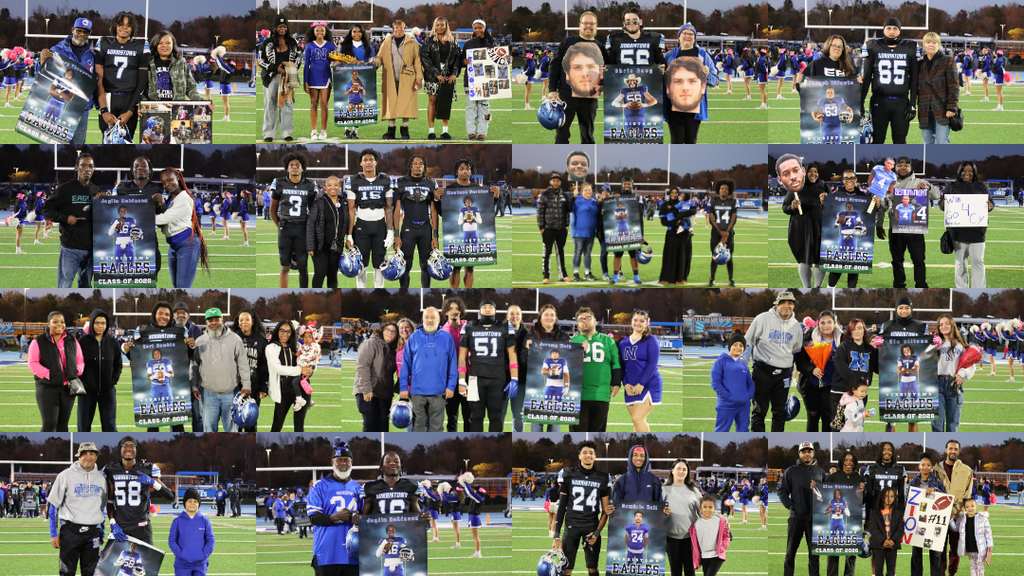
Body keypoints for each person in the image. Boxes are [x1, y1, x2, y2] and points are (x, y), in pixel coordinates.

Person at [121, 302, 192, 433]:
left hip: (169, 385)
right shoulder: (143, 330)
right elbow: (137, 357)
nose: (163, 317)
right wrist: (126, 349)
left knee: (176, 420)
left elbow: (187, 355)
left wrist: (192, 346)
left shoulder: (180, 330)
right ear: (154, 314)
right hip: (154, 386)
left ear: (171, 316)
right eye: (160, 313)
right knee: (153, 421)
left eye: (167, 314)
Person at [435, 159, 500, 288]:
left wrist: (496, 198)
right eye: (461, 169)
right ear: (456, 171)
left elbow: (488, 210)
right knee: (456, 267)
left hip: (474, 230)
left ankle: (467, 293)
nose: (465, 171)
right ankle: (454, 292)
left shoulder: (478, 189)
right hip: (464, 231)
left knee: (470, 267)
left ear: (471, 171)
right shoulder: (449, 190)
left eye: (467, 168)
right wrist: (437, 200)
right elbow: (443, 214)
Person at [42, 153, 104, 287]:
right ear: (77, 167)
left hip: (91, 248)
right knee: (65, 285)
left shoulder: (96, 190)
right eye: (84, 165)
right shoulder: (65, 189)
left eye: (90, 166)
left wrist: (107, 201)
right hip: (70, 248)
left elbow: (105, 216)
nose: (87, 169)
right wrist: (65, 218)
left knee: (86, 286)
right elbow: (46, 209)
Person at [744, 291, 803, 432]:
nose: (786, 305)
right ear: (776, 304)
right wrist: (743, 364)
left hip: (783, 374)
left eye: (790, 303)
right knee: (759, 411)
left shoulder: (796, 326)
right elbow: (748, 342)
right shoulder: (762, 319)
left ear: (794, 305)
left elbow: (796, 350)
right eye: (782, 302)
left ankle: (777, 441)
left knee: (780, 413)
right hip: (763, 371)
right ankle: (758, 440)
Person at [552, 441, 612, 576]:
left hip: (591, 527)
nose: (588, 455)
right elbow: (562, 506)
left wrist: (597, 533)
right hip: (571, 527)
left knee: (592, 568)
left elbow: (605, 511)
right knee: (567, 569)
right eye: (584, 453)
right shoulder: (568, 474)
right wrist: (556, 535)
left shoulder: (602, 477)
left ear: (595, 456)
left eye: (591, 453)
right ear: (579, 456)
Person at [548, 12, 608, 144]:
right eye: (585, 23)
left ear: (596, 25)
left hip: (590, 99)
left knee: (588, 137)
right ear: (579, 25)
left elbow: (606, 71)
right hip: (566, 97)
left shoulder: (601, 47)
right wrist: (552, 89)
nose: (588, 26)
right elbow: (554, 66)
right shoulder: (567, 42)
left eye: (591, 23)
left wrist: (603, 85)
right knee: (561, 135)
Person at [459, 300, 518, 432]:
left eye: (490, 307)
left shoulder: (504, 326)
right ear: (479, 310)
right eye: (484, 307)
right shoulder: (469, 326)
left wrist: (515, 378)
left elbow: (512, 354)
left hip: (497, 379)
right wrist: (461, 379)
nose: (487, 309)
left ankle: (496, 444)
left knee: (495, 417)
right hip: (475, 379)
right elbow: (462, 357)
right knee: (475, 417)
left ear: (495, 310)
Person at [49, 442, 107, 576]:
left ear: (96, 456)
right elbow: (53, 506)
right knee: (67, 572)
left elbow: (101, 507)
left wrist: (102, 532)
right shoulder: (65, 475)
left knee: (91, 572)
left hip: (93, 532)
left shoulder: (101, 478)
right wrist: (53, 533)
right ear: (78, 456)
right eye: (84, 454)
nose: (88, 456)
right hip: (70, 531)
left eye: (92, 453)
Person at [103, 436, 174, 545]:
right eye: (125, 446)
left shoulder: (147, 468)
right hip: (121, 527)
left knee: (146, 557)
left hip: (142, 527)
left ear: (136, 449)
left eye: (132, 446)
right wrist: (113, 523)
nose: (129, 449)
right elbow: (110, 501)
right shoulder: (111, 469)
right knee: (109, 556)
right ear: (120, 449)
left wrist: (152, 482)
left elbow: (170, 496)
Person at [306, 440, 361, 576]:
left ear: (351, 462)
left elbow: (365, 516)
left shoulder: (358, 489)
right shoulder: (319, 487)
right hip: (327, 554)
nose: (343, 463)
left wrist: (361, 520)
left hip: (353, 555)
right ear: (332, 462)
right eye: (339, 460)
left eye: (346, 460)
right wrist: (335, 517)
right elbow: (313, 517)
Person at [191, 308, 250, 432]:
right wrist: (194, 386)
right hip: (208, 393)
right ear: (206, 322)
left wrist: (246, 385)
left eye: (216, 319)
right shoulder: (200, 341)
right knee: (209, 431)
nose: (213, 323)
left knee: (232, 431)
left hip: (231, 392)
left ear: (222, 320)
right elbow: (194, 366)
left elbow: (243, 364)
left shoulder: (235, 339)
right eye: (210, 320)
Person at [37, 18, 95, 146]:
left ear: (89, 34)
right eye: (79, 31)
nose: (82, 34)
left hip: (81, 109)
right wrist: (41, 63)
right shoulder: (57, 50)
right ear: (73, 30)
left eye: (85, 32)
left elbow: (93, 82)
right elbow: (41, 74)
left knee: (79, 146)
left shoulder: (92, 55)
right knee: (56, 145)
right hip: (56, 102)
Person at [860, 17, 918, 143]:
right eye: (889, 28)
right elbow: (867, 77)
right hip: (879, 102)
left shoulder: (910, 47)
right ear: (884, 30)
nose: (892, 31)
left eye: (895, 28)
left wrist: (913, 104)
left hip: (901, 103)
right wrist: (860, 102)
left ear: (899, 30)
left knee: (900, 140)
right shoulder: (873, 46)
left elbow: (914, 79)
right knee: (877, 140)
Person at [400, 307, 457, 432]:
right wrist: (403, 387)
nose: (429, 320)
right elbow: (405, 364)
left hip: (439, 391)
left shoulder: (447, 338)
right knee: (417, 427)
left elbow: (452, 364)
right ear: (423, 319)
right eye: (426, 317)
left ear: (438, 319)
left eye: (433, 317)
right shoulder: (414, 338)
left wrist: (451, 386)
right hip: (417, 391)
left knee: (436, 427)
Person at [345, 149, 395, 289]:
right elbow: (351, 209)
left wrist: (390, 231)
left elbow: (388, 208)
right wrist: (349, 235)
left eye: (371, 159)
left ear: (376, 162)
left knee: (379, 264)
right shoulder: (354, 181)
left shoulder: (385, 179)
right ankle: (361, 294)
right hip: (362, 226)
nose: (368, 162)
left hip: (380, 225)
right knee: (361, 264)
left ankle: (378, 292)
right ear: (361, 163)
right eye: (365, 160)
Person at [940, 161, 994, 288]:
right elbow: (943, 206)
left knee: (978, 262)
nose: (967, 173)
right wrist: (942, 204)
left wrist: (990, 206)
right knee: (960, 263)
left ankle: (978, 289)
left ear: (974, 172)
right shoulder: (951, 186)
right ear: (960, 171)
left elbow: (991, 203)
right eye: (964, 170)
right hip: (958, 232)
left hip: (978, 231)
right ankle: (961, 289)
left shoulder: (982, 186)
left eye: (970, 171)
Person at [663, 23, 718, 143]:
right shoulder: (669, 56)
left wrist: (707, 75)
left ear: (694, 37)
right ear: (679, 36)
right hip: (674, 106)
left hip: (694, 107)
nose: (687, 36)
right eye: (684, 33)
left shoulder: (703, 55)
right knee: (676, 141)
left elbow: (714, 81)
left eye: (691, 34)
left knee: (691, 141)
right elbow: (662, 79)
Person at [28, 311, 83, 432]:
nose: (60, 324)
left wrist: (76, 371)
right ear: (48, 324)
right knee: (49, 424)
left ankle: (63, 444)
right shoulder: (38, 341)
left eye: (62, 322)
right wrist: (49, 374)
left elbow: (80, 360)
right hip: (47, 387)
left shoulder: (72, 340)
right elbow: (33, 362)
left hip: (67, 387)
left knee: (63, 424)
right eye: (55, 322)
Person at [96, 12, 148, 142]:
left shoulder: (141, 45)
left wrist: (130, 111)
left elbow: (142, 81)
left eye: (128, 25)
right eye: (121, 24)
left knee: (126, 141)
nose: (124, 28)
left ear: (132, 28)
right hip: (108, 97)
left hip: (130, 97)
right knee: (107, 141)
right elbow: (98, 79)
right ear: (115, 25)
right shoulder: (104, 42)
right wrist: (104, 110)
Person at [778, 441, 826, 576]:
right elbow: (782, 491)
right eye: (803, 452)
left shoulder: (821, 472)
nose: (806, 454)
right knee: (790, 553)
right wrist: (791, 506)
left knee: (814, 555)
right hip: (796, 518)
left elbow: (827, 494)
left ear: (813, 453)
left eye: (809, 451)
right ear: (799, 454)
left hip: (815, 520)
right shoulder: (791, 471)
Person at [571, 306, 622, 432]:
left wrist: (616, 383)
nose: (585, 321)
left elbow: (616, 363)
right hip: (577, 395)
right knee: (578, 435)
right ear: (577, 324)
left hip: (601, 393)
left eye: (588, 318)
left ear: (595, 320)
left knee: (597, 435)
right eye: (581, 319)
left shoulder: (608, 340)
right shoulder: (571, 341)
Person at [826, 171, 880, 288]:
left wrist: (877, 205)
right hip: (843, 235)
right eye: (846, 178)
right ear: (842, 180)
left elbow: (868, 215)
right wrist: (823, 202)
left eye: (852, 178)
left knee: (853, 262)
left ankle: (851, 290)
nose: (849, 181)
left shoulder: (862, 196)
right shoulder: (836, 196)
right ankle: (830, 288)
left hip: (853, 235)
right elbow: (834, 225)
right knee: (839, 261)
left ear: (856, 179)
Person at [779, 156, 827, 288]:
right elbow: (785, 208)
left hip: (820, 227)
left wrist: (826, 202)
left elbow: (834, 208)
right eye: (810, 171)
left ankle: (818, 287)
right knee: (804, 259)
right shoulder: (796, 187)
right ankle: (807, 287)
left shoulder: (824, 187)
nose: (814, 174)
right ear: (804, 172)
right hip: (801, 228)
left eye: (816, 172)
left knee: (820, 259)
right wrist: (792, 207)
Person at [393, 155, 439, 288]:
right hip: (408, 228)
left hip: (425, 228)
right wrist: (396, 235)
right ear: (410, 166)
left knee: (426, 265)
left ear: (424, 167)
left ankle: (426, 292)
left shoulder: (431, 183)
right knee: (405, 265)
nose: (418, 166)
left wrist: (435, 236)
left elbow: (434, 211)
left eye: (421, 164)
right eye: (415, 163)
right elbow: (396, 211)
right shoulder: (401, 182)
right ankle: (404, 293)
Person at [794, 311, 843, 432]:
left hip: (831, 386)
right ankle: (811, 440)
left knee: (828, 418)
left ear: (834, 323)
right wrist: (811, 369)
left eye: (829, 322)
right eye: (823, 323)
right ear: (818, 324)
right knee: (812, 417)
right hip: (811, 385)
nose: (826, 325)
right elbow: (800, 361)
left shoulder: (842, 338)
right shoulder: (809, 336)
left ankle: (825, 443)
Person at [374, 20, 423, 140]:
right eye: (396, 28)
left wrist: (419, 78)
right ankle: (391, 130)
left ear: (405, 28)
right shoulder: (386, 42)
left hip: (407, 77)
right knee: (391, 103)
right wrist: (375, 64)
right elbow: (379, 57)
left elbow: (417, 62)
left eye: (401, 28)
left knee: (406, 103)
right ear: (393, 29)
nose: (399, 30)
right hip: (390, 76)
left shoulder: (413, 43)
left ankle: (405, 130)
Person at [77, 309, 121, 432]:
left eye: (103, 323)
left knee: (110, 426)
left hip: (107, 391)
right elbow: (76, 364)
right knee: (83, 426)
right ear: (91, 323)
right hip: (87, 392)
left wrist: (113, 380)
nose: (100, 326)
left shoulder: (113, 342)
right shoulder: (82, 342)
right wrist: (84, 382)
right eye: (97, 323)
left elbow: (118, 364)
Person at [258, 14, 301, 142]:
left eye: (284, 26)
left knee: (287, 104)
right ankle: (268, 134)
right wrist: (275, 68)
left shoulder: (292, 42)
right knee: (270, 105)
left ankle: (286, 133)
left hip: (288, 77)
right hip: (271, 77)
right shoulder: (267, 42)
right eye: (280, 26)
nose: (282, 29)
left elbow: (299, 57)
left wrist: (290, 68)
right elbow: (260, 60)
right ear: (275, 27)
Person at [619, 310, 662, 432]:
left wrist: (641, 384)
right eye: (635, 320)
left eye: (642, 321)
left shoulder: (651, 340)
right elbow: (622, 366)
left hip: (649, 384)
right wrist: (625, 384)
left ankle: (647, 442)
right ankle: (636, 442)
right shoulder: (623, 343)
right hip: (631, 386)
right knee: (636, 422)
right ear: (631, 321)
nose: (638, 323)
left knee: (637, 419)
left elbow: (652, 364)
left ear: (647, 323)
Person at [268, 320, 314, 432]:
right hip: (283, 390)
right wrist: (301, 370)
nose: (285, 334)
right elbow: (277, 368)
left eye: (288, 331)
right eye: (282, 331)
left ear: (292, 333)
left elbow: (310, 360)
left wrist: (311, 368)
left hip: (301, 389)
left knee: (299, 427)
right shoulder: (271, 348)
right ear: (277, 331)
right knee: (277, 426)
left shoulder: (298, 346)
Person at [421, 17, 461, 140]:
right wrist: (437, 74)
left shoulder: (453, 41)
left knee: (445, 102)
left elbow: (458, 58)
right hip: (433, 76)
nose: (439, 27)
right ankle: (431, 131)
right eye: (437, 25)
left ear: (446, 26)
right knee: (432, 101)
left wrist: (454, 73)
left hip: (448, 76)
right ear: (434, 26)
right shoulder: (429, 41)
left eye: (442, 25)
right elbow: (425, 59)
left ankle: (445, 131)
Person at [353, 322, 398, 432]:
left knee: (383, 426)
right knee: (371, 425)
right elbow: (362, 366)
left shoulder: (393, 349)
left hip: (384, 393)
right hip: (369, 391)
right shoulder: (371, 343)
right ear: (382, 330)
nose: (390, 333)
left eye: (393, 332)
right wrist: (366, 389)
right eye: (387, 330)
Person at [941, 439, 977, 576]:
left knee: (956, 548)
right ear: (946, 450)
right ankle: (941, 573)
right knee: (940, 548)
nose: (953, 451)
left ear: (959, 451)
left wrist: (954, 510)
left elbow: (967, 494)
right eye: (950, 448)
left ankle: (952, 574)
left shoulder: (966, 470)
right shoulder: (937, 469)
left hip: (958, 516)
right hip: (940, 516)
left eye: (955, 449)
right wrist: (945, 510)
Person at [917, 32, 958, 144]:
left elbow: (954, 86)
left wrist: (952, 107)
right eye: (928, 42)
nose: (931, 45)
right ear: (924, 45)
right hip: (924, 109)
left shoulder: (948, 60)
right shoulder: (920, 64)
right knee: (927, 142)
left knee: (942, 142)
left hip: (942, 109)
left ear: (939, 45)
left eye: (934, 42)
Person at [307, 175, 346, 288]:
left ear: (339, 186)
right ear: (325, 187)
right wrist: (310, 246)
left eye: (335, 185)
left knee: (333, 275)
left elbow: (347, 222)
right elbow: (310, 223)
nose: (332, 187)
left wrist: (349, 239)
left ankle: (332, 296)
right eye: (329, 185)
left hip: (337, 245)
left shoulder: (344, 202)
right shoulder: (319, 203)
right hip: (320, 246)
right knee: (320, 273)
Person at [711, 332, 755, 432]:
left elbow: (750, 383)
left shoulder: (743, 365)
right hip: (726, 405)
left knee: (743, 432)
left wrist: (748, 396)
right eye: (735, 344)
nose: (738, 347)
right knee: (722, 431)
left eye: (741, 345)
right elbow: (715, 383)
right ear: (730, 346)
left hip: (743, 406)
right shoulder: (720, 362)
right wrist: (727, 396)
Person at [665, 459, 702, 576]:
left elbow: (704, 512)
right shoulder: (663, 490)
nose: (681, 471)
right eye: (678, 468)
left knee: (690, 572)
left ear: (687, 472)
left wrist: (720, 522)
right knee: (675, 572)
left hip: (690, 538)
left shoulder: (694, 491)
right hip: (670, 538)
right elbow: (655, 513)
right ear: (672, 470)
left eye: (684, 469)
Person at [169, 488, 215, 576]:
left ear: (199, 503)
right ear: (184, 503)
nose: (192, 503)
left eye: (195, 501)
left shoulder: (205, 521)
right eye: (189, 501)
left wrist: (204, 554)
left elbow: (210, 540)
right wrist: (180, 554)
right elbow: (172, 540)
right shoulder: (177, 521)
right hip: (182, 564)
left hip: (200, 564)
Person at [537, 172, 572, 283]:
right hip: (548, 228)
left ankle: (563, 275)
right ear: (550, 182)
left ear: (560, 182)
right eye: (554, 180)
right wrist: (542, 228)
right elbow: (539, 213)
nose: (556, 182)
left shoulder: (564, 195)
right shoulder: (544, 195)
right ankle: (546, 276)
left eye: (557, 181)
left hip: (561, 228)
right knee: (547, 252)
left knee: (561, 252)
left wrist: (566, 226)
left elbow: (567, 212)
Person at [303, 22, 336, 141]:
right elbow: (306, 64)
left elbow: (335, 61)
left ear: (326, 32)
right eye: (317, 30)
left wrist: (337, 61)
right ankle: (313, 131)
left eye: (322, 30)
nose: (320, 32)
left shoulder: (330, 45)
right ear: (314, 32)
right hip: (313, 76)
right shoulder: (309, 45)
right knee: (313, 103)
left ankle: (323, 131)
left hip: (326, 76)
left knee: (324, 104)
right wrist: (305, 80)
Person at [463, 20, 494, 140]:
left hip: (485, 80)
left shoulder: (491, 43)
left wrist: (505, 58)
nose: (477, 30)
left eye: (480, 27)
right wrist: (464, 62)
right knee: (470, 108)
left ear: (484, 28)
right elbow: (461, 60)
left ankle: (482, 132)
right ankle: (471, 132)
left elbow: (497, 61)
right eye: (475, 28)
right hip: (470, 80)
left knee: (484, 107)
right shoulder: (468, 44)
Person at [659, 188, 695, 285]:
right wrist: (676, 222)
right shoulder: (664, 206)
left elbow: (694, 211)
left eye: (676, 192)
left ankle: (681, 278)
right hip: (671, 233)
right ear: (669, 194)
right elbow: (663, 222)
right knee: (670, 256)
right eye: (672, 192)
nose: (674, 194)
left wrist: (682, 215)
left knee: (683, 256)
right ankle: (668, 278)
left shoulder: (684, 203)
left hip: (684, 233)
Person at [689, 495, 731, 576]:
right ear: (700, 508)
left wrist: (722, 548)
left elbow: (727, 536)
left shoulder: (720, 521)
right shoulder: (696, 525)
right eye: (705, 507)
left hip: (716, 555)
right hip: (704, 556)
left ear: (714, 508)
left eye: (710, 507)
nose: (707, 510)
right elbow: (694, 542)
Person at [868, 487, 904, 576]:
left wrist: (893, 540)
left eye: (892, 496)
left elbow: (900, 528)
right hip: (878, 545)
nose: (889, 499)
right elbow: (872, 528)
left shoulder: (898, 512)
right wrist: (882, 540)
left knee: (891, 571)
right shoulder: (875, 511)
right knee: (878, 571)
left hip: (892, 545)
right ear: (882, 497)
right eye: (887, 496)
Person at [952, 498, 993, 576]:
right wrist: (950, 520)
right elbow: (955, 528)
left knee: (980, 567)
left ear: (976, 506)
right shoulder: (962, 519)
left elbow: (988, 533)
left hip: (981, 548)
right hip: (970, 547)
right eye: (967, 507)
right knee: (972, 566)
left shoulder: (983, 519)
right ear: (965, 508)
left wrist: (990, 546)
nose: (970, 508)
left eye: (972, 506)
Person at [708, 180, 737, 287]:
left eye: (726, 189)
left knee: (729, 257)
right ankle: (712, 278)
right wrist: (720, 232)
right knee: (714, 256)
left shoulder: (733, 201)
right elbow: (711, 218)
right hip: (716, 233)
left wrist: (726, 233)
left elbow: (733, 219)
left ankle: (731, 279)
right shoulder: (713, 201)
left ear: (729, 191)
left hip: (729, 233)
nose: (723, 190)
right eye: (721, 188)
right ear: (718, 190)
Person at [570, 182, 599, 281]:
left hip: (590, 232)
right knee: (578, 252)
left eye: (589, 190)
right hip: (578, 232)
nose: (588, 192)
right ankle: (576, 273)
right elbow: (569, 209)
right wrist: (573, 196)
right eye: (585, 190)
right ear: (581, 191)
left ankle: (587, 273)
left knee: (588, 253)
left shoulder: (594, 201)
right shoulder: (576, 200)